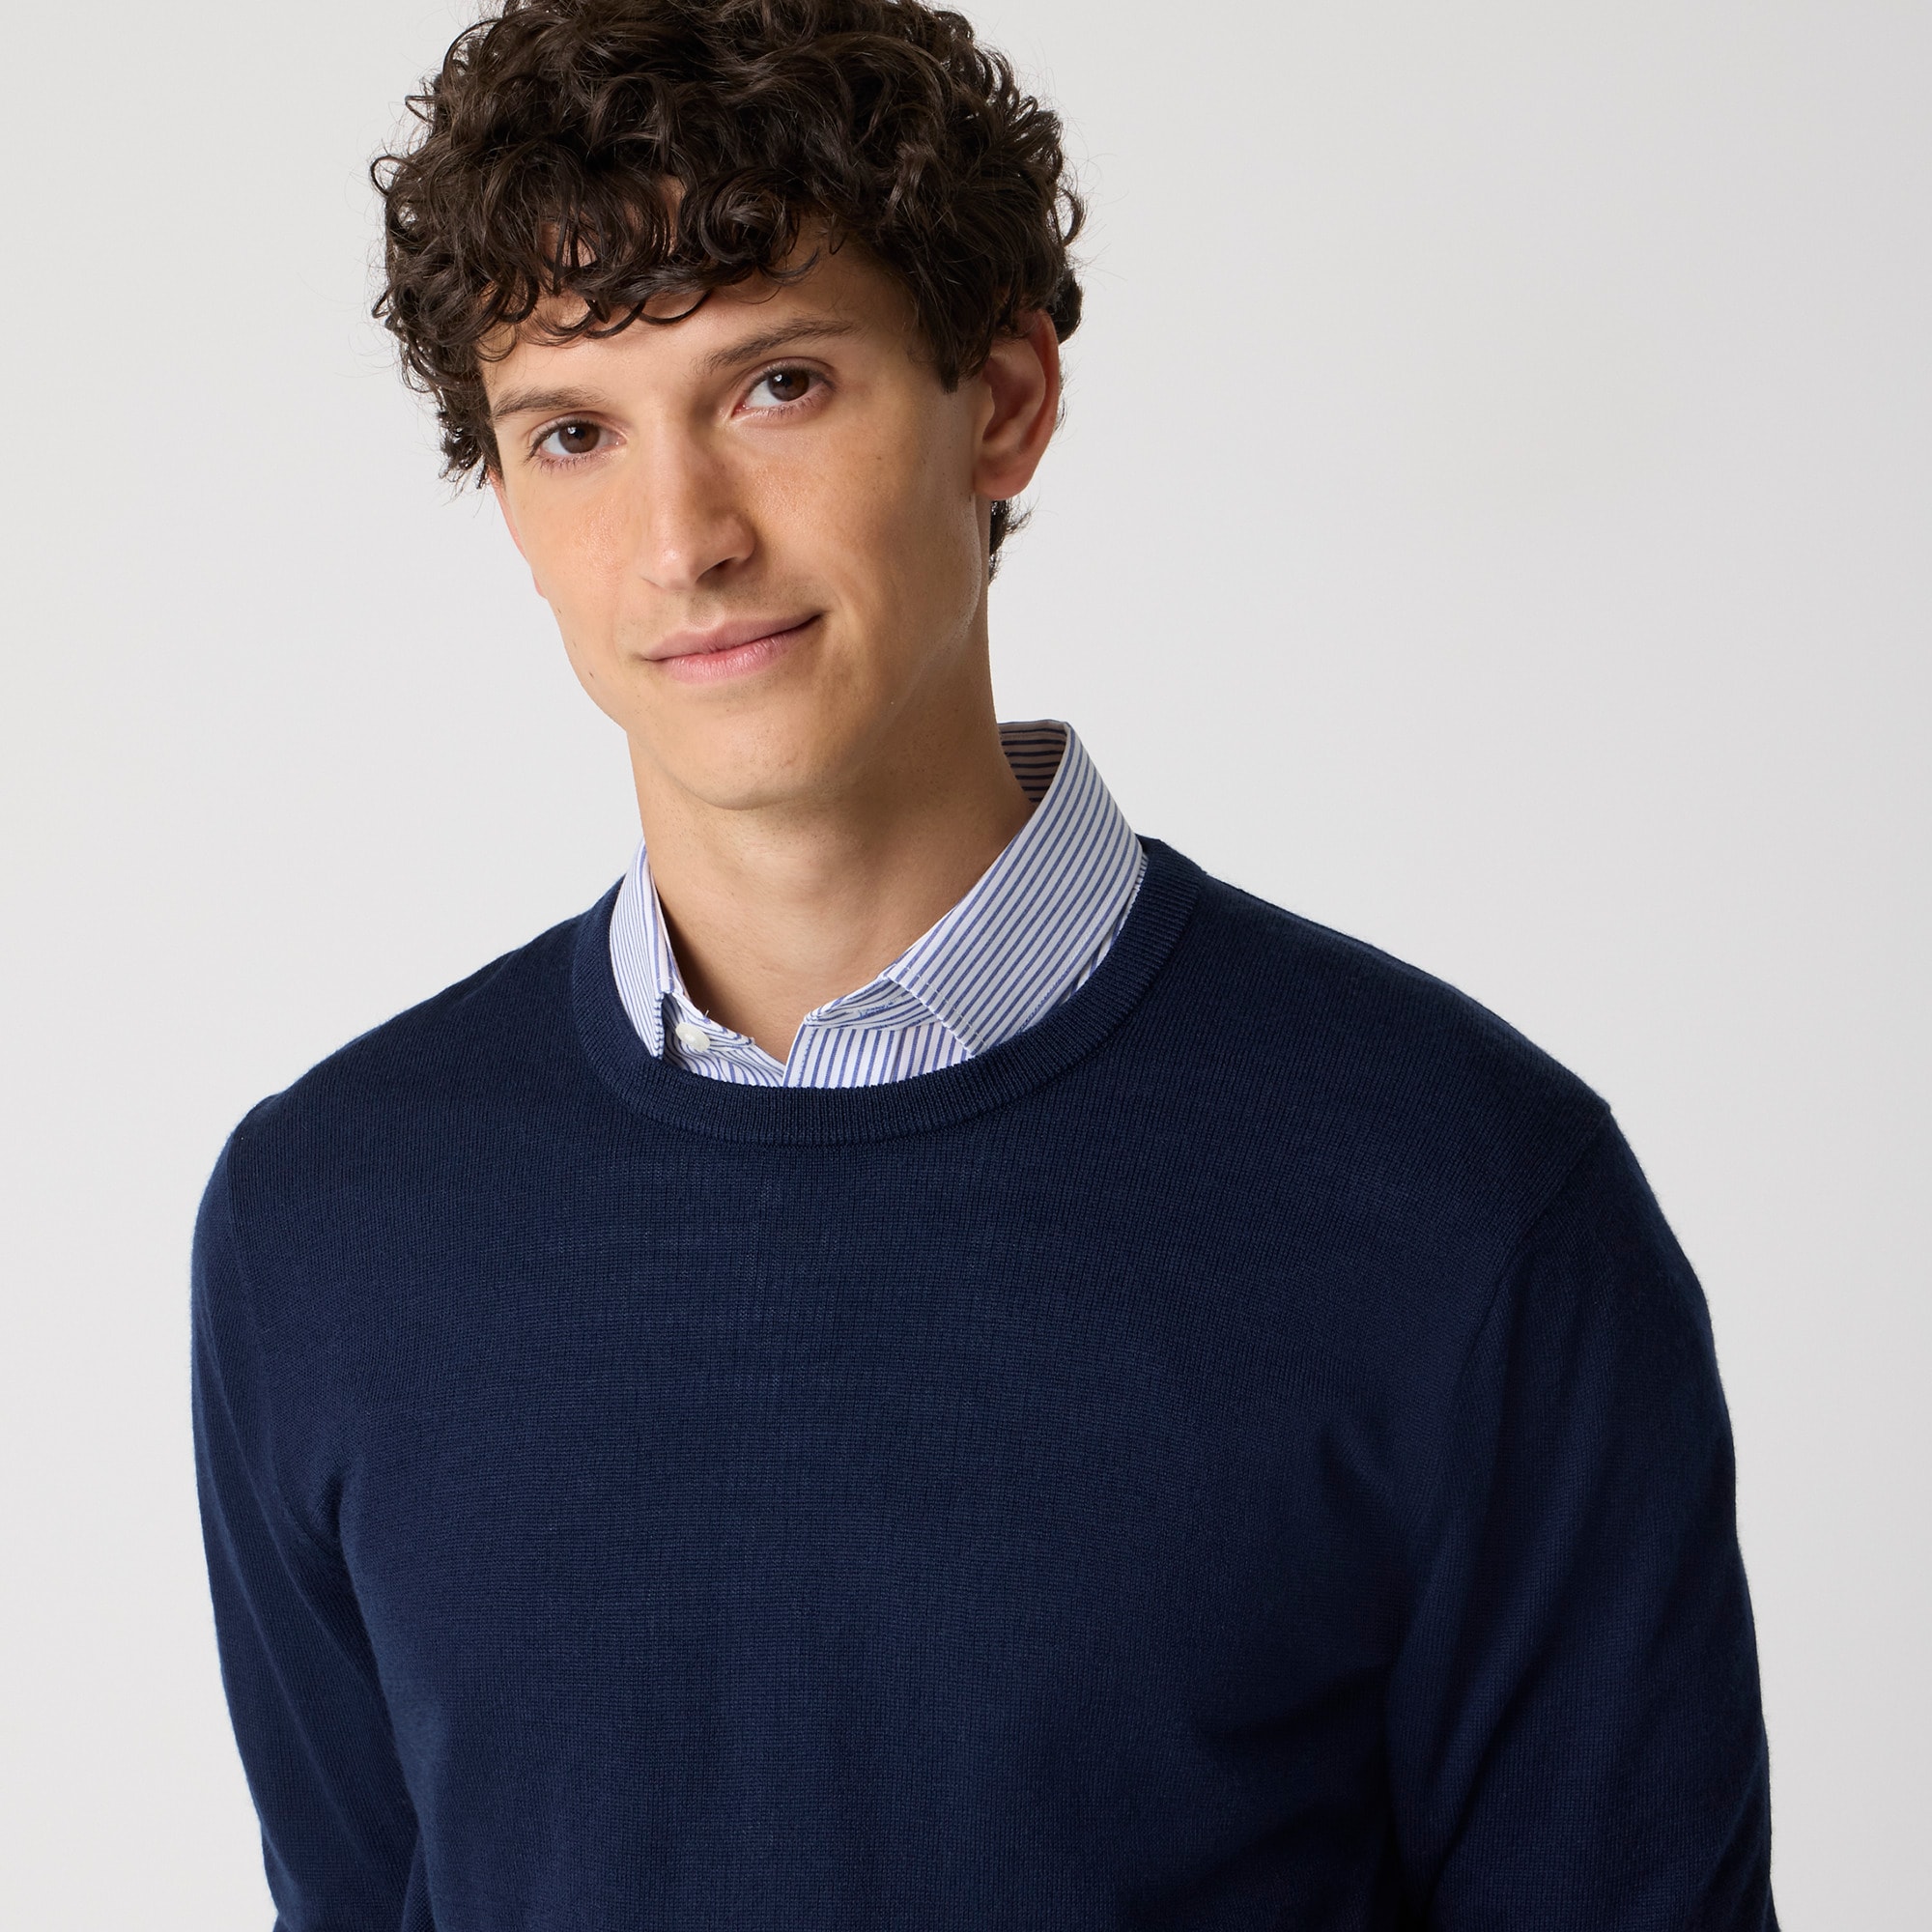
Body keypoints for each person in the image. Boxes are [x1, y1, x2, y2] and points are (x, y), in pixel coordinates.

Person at [190, 1, 1776, 1924]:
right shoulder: (325, 1226)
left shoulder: (1466, 1204)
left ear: (1004, 402)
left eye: (778, 385)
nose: (682, 539)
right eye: (576, 431)